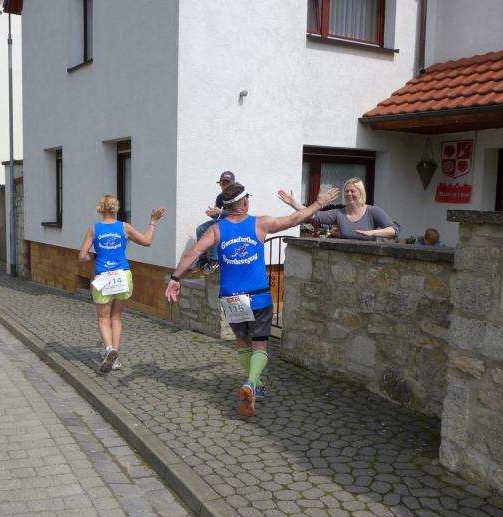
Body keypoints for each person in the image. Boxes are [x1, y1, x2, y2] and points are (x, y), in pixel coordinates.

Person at [166, 182, 339, 417]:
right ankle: (251, 383)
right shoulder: (260, 223)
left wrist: (175, 277)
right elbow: (294, 220)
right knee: (260, 344)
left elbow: (193, 253)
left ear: (226, 206)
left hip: (231, 297)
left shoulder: (216, 230)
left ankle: (256, 384)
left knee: (242, 341)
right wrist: (319, 203)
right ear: (245, 202)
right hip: (258, 296)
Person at [79, 195, 165, 372]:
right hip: (122, 275)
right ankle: (115, 359)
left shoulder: (94, 229)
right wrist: (153, 222)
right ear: (116, 208)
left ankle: (109, 349)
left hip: (103, 276)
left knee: (103, 318)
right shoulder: (124, 227)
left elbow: (82, 257)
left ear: (101, 209)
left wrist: (94, 256)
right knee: (116, 317)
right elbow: (147, 241)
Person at [277, 178, 398, 241]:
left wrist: (372, 232)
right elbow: (313, 214)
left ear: (361, 193)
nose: (349, 194)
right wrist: (293, 203)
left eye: (353, 191)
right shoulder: (339, 213)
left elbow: (393, 231)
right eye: (346, 191)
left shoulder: (373, 211)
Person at [189, 171, 237, 274]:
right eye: (222, 183)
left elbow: (238, 214)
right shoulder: (220, 197)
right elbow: (218, 214)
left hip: (235, 223)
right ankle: (202, 260)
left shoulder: (237, 196)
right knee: (200, 229)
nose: (224, 185)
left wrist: (221, 212)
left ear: (233, 184)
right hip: (223, 221)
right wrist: (212, 213)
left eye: (227, 183)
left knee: (215, 227)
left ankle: (214, 260)